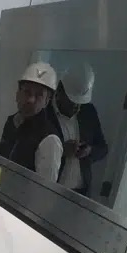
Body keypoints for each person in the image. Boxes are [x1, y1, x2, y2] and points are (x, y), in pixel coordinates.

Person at [0, 62, 64, 184]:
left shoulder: (49, 139)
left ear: (46, 101)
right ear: (17, 94)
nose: (31, 100)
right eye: (27, 92)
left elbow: (44, 191)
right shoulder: (12, 122)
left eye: (39, 95)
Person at [50, 63, 109, 196]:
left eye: (80, 102)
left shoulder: (89, 112)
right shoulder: (45, 113)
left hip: (80, 193)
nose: (76, 106)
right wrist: (60, 150)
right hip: (50, 191)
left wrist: (89, 151)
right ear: (59, 90)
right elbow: (29, 150)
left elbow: (103, 149)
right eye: (71, 100)